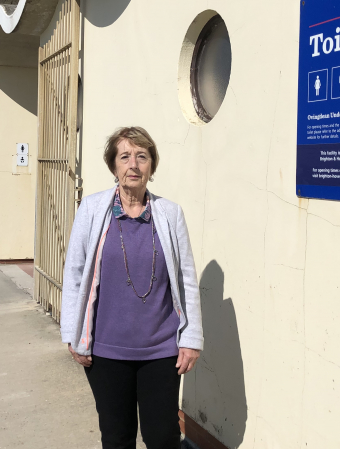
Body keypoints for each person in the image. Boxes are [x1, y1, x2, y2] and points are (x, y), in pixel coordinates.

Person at [60, 126, 203, 449]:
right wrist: (72, 334)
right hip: (106, 352)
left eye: (142, 157)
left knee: (162, 437)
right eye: (125, 157)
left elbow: (186, 279)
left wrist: (191, 338)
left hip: (162, 351)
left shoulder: (169, 214)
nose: (134, 165)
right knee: (117, 437)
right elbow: (75, 273)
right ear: (114, 167)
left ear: (152, 166)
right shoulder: (93, 210)